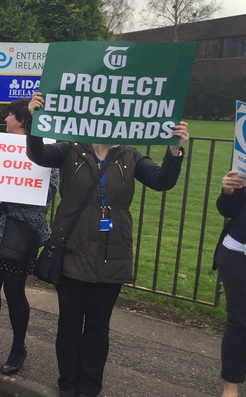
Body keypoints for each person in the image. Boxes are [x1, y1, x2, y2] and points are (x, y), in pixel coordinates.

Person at [26, 92, 189, 397]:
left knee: (98, 326)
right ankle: (67, 382)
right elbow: (39, 156)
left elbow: (162, 180)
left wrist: (174, 150)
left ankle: (89, 386)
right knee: (71, 322)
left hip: (112, 253)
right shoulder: (71, 149)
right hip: (73, 249)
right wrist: (34, 118)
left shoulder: (129, 154)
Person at [0, 98, 58, 375]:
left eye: (8, 114)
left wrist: (7, 198)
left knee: (15, 290)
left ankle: (19, 348)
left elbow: (48, 192)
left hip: (17, 229)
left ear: (20, 118)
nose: (4, 119)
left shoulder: (43, 150)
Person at [215, 170, 246, 397]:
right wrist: (228, 191)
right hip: (238, 251)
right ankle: (231, 388)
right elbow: (228, 210)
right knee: (238, 321)